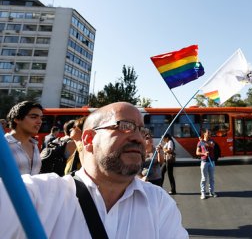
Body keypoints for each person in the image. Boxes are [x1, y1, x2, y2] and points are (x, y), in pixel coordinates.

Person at [0, 102, 188, 238]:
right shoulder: (37, 195)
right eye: (125, 126)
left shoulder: (159, 202)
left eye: (141, 130)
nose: (139, 138)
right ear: (89, 139)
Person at [5, 101, 43, 175]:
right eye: (33, 117)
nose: (40, 121)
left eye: (41, 118)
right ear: (17, 119)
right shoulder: (4, 144)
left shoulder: (34, 145)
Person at [196, 129, 217, 199]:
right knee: (204, 178)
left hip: (211, 162)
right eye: (208, 132)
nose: (209, 133)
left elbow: (212, 145)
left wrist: (204, 142)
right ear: (204, 134)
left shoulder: (212, 140)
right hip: (204, 162)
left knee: (212, 178)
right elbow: (197, 153)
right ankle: (203, 193)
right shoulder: (199, 142)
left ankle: (212, 192)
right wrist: (204, 153)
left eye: (210, 132)